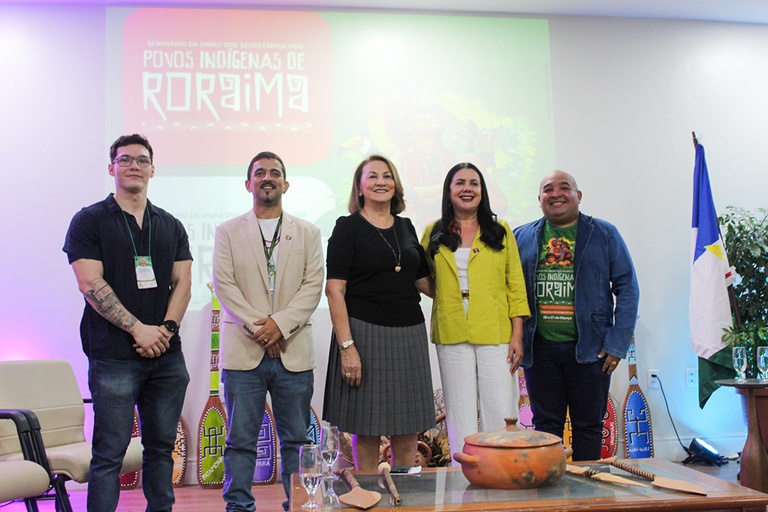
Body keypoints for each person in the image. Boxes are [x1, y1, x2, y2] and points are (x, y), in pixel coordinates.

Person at [63, 134, 192, 512]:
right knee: (109, 455)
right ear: (111, 168)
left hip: (167, 357)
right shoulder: (89, 220)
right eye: (124, 159)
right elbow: (89, 283)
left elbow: (183, 283)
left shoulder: (170, 224)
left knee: (161, 451)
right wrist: (139, 329)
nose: (133, 165)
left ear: (153, 168)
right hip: (114, 355)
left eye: (141, 159)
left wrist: (166, 330)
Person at [213, 151, 323, 512]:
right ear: (248, 184)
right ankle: (239, 507)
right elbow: (224, 285)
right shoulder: (227, 231)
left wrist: (280, 326)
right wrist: (263, 329)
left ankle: (300, 504)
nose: (267, 178)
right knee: (240, 439)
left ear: (286, 184)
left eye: (275, 173)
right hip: (245, 351)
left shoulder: (308, 232)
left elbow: (313, 286)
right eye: (259, 173)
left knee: (296, 440)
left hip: (293, 352)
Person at [513, 170, 639, 461]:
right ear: (539, 199)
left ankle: (588, 495)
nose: (555, 193)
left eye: (564, 187)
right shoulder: (522, 237)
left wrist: (617, 343)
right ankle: (553, 496)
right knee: (546, 430)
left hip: (592, 351)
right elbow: (509, 291)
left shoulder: (605, 234)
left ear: (578, 196)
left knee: (589, 427)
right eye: (548, 189)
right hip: (539, 351)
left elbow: (628, 288)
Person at [323, 155, 434, 471]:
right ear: (360, 187)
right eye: (372, 176)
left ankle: (406, 498)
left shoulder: (407, 227)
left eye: (387, 176)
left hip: (409, 333)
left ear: (396, 184)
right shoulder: (348, 228)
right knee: (367, 427)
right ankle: (371, 497)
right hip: (364, 334)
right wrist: (348, 348)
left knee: (408, 424)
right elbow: (334, 290)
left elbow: (424, 283)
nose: (381, 182)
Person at [420, 162, 530, 462]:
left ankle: (502, 469)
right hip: (451, 329)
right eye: (460, 183)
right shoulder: (434, 231)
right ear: (449, 190)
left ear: (482, 191)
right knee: (459, 410)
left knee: (500, 407)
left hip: (496, 332)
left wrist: (517, 334)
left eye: (474, 183)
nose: (467, 189)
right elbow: (424, 278)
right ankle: (462, 476)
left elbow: (516, 286)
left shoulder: (500, 230)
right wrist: (445, 296)